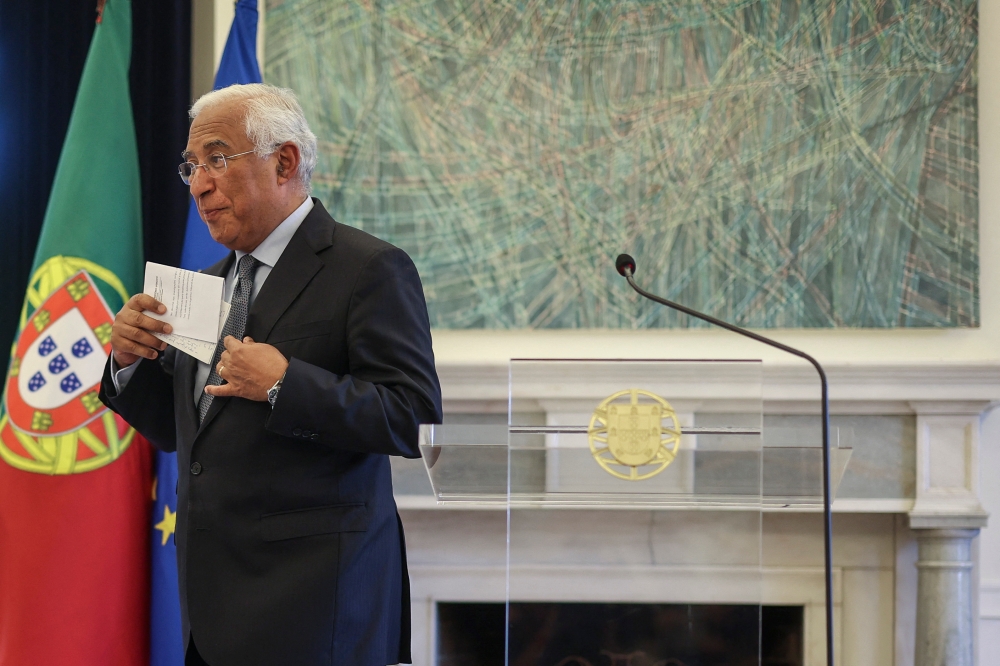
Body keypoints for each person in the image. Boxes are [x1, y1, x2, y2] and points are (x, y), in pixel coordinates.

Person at [100, 83, 442, 666]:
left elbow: (410, 419)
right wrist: (128, 365)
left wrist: (286, 383)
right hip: (209, 611)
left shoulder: (369, 269)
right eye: (191, 166)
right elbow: (191, 437)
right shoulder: (204, 285)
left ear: (284, 161)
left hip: (317, 611)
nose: (199, 185)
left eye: (217, 159)